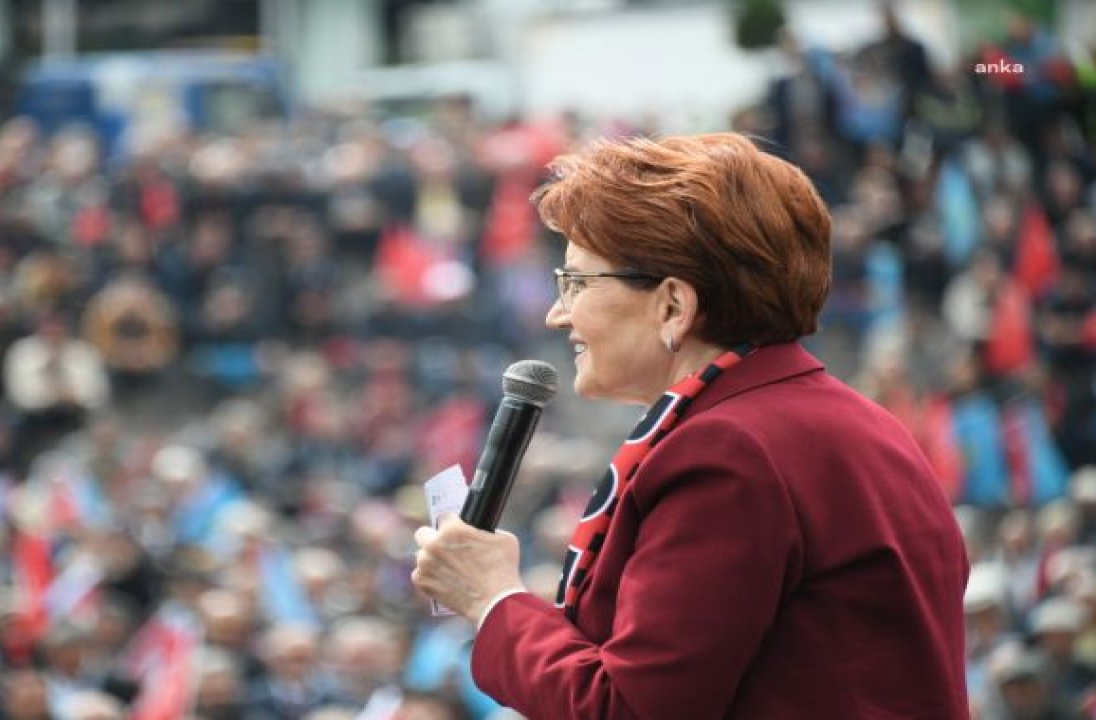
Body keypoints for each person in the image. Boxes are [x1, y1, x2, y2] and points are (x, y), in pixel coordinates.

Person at [411, 133, 970, 719]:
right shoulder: (849, 421)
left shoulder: (729, 451)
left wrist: (493, 598)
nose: (558, 312)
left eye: (576, 283)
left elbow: (628, 709)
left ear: (673, 306)